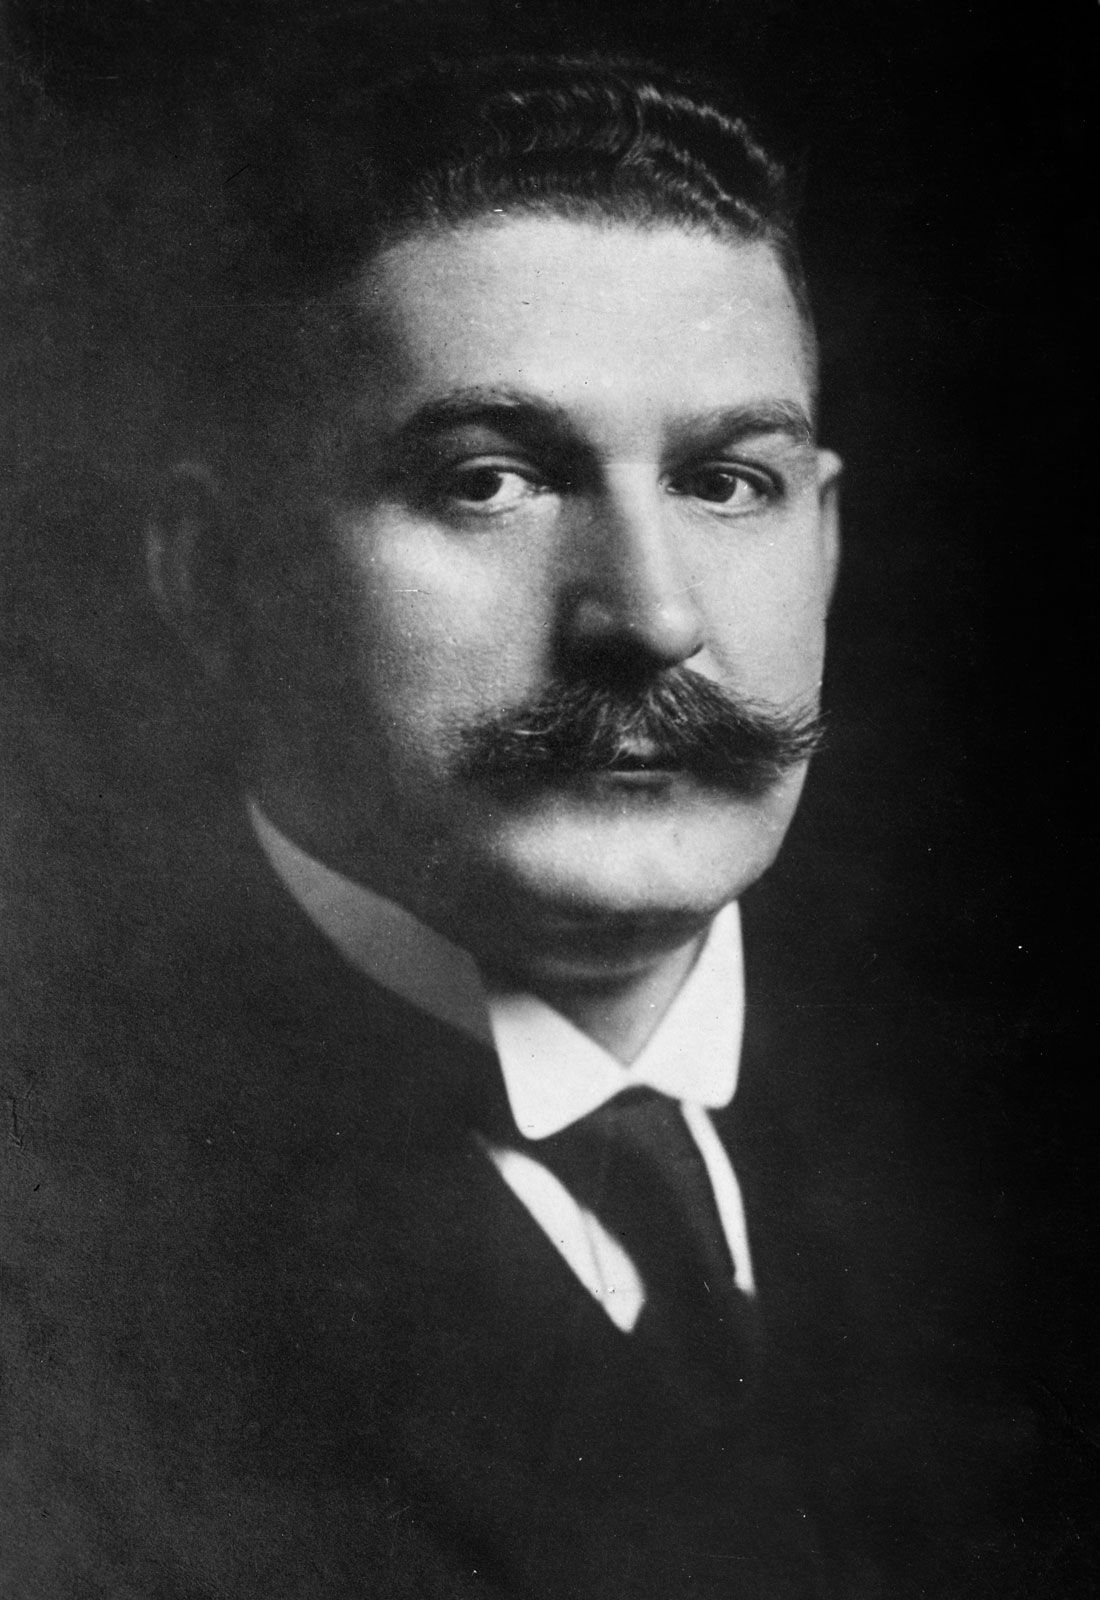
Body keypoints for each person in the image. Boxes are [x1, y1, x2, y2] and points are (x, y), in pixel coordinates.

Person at [0, 50, 1041, 1600]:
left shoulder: (1022, 1160)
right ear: (216, 579)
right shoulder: (62, 1272)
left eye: (726, 483)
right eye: (490, 482)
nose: (654, 616)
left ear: (827, 540)